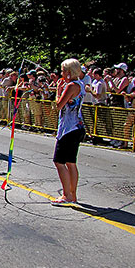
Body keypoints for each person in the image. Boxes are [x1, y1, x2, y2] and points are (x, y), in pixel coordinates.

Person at [51, 58, 86, 206]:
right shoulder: (80, 84)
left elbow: (59, 105)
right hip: (76, 126)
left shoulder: (72, 86)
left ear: (69, 72)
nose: (61, 73)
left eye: (63, 71)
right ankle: (72, 195)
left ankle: (66, 195)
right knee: (71, 162)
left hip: (68, 129)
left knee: (59, 161)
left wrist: (59, 91)